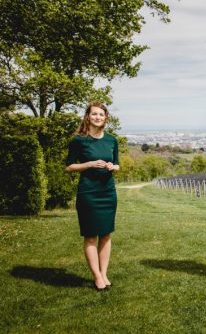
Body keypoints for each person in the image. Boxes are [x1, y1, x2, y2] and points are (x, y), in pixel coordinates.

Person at [65, 102, 120, 291]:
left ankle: (104, 273)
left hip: (108, 192)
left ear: (106, 118)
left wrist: (114, 167)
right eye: (94, 114)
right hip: (88, 192)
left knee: (106, 234)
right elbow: (69, 166)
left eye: (101, 114)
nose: (98, 117)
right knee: (90, 236)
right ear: (87, 116)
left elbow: (118, 164)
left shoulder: (112, 140)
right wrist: (89, 164)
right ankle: (97, 276)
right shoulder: (78, 141)